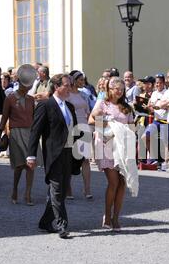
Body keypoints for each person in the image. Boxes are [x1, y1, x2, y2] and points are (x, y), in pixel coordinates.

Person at [27, 73, 78, 239]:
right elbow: (35, 132)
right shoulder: (45, 105)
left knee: (62, 190)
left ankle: (45, 221)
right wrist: (31, 155)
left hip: (68, 153)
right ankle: (62, 224)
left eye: (70, 85)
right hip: (53, 154)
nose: (70, 88)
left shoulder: (69, 107)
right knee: (56, 189)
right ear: (57, 87)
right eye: (67, 85)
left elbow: (75, 131)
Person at [89, 77, 135, 231]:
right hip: (106, 145)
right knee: (113, 182)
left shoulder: (126, 107)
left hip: (122, 147)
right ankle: (107, 215)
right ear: (110, 89)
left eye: (122, 89)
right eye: (117, 89)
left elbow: (131, 127)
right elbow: (91, 119)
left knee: (122, 183)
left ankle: (116, 217)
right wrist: (107, 125)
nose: (119, 91)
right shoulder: (103, 103)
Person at [0, 65, 38, 206]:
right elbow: (4, 117)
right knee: (19, 166)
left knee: (30, 165)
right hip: (15, 133)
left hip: (30, 133)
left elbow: (34, 117)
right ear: (19, 82)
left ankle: (28, 194)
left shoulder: (31, 99)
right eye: (25, 83)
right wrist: (1, 132)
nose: (27, 86)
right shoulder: (9, 98)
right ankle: (14, 189)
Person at [67, 70, 92, 200]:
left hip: (84, 127)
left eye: (83, 80)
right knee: (70, 159)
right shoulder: (67, 95)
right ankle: (68, 189)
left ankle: (87, 189)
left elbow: (88, 112)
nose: (83, 82)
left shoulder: (84, 95)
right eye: (81, 80)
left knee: (85, 159)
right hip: (72, 129)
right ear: (74, 81)